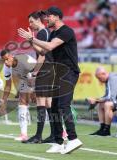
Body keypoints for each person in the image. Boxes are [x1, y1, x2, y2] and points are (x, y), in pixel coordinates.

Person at [18, 6, 82, 154]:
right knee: (53, 107)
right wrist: (31, 40)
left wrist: (32, 38)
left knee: (63, 105)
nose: (46, 19)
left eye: (48, 16)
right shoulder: (54, 33)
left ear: (57, 17)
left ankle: (73, 139)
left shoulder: (66, 31)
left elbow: (50, 45)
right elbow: (43, 51)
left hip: (69, 72)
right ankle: (58, 142)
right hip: (59, 73)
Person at [22, 11, 55, 144]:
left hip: (45, 69)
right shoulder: (45, 32)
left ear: (38, 20)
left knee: (41, 102)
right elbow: (40, 50)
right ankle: (54, 134)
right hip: (50, 69)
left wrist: (35, 72)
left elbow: (42, 54)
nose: (30, 24)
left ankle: (38, 136)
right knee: (48, 102)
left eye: (31, 21)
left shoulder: (42, 33)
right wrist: (30, 40)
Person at [87, 66, 117, 136]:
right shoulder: (109, 80)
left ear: (104, 73)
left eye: (99, 78)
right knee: (100, 105)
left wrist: (96, 100)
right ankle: (102, 128)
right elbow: (107, 96)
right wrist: (97, 101)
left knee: (107, 104)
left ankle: (106, 130)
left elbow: (110, 97)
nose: (99, 80)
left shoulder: (112, 79)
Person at [0, 49, 36, 141]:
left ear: (11, 56)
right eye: (3, 60)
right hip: (26, 78)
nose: (6, 62)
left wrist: (33, 92)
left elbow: (35, 75)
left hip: (39, 74)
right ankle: (24, 134)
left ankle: (62, 131)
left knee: (45, 103)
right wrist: (3, 101)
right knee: (22, 102)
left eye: (7, 59)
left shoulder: (23, 61)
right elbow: (8, 85)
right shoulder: (6, 67)